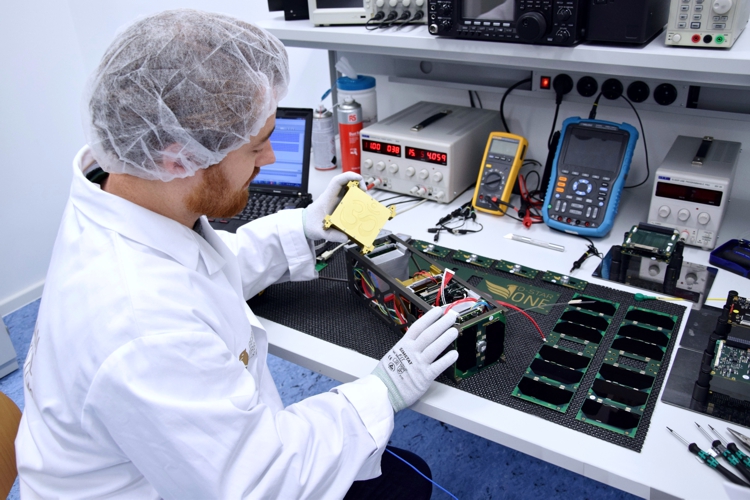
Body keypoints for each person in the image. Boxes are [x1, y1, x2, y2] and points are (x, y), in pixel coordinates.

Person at [14, 9, 460, 499]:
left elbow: (201, 268)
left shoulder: (119, 192)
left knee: (391, 468)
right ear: (177, 156)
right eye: (257, 145)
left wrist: (304, 229)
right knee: (402, 480)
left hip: (166, 459)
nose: (269, 160)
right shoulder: (143, 327)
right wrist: (384, 389)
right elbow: (260, 484)